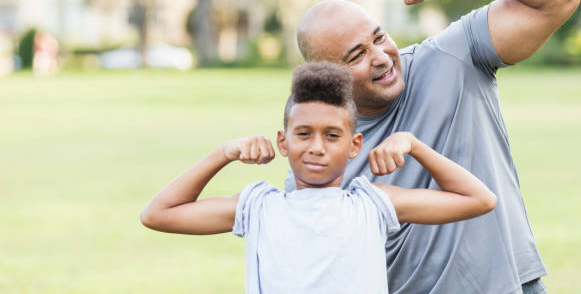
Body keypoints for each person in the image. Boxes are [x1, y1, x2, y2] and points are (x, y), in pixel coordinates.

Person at [287, 0, 581, 294]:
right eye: (358, 55)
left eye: (379, 37)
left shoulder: (452, 58)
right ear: (325, 75)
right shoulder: (320, 149)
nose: (381, 57)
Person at [141, 62, 497, 294]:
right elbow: (158, 214)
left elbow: (479, 199)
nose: (317, 148)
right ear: (283, 141)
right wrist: (222, 154)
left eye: (332, 135)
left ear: (354, 144)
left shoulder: (372, 203)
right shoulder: (259, 207)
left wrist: (415, 146)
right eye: (303, 133)